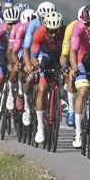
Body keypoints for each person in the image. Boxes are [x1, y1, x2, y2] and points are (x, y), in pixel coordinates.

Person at [29, 11, 65, 144]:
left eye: (57, 31)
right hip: (45, 58)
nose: (54, 35)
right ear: (46, 28)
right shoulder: (39, 32)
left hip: (61, 58)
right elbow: (33, 56)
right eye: (51, 31)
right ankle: (40, 127)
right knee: (43, 89)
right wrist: (37, 66)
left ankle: (65, 99)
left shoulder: (65, 32)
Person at [69, 4, 90, 148]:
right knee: (83, 91)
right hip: (82, 58)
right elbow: (73, 51)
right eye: (87, 24)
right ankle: (78, 132)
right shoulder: (78, 27)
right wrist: (74, 68)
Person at [21, 1, 56, 126]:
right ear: (39, 16)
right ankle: (27, 107)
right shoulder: (33, 25)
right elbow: (26, 48)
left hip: (51, 54)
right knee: (30, 78)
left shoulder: (55, 23)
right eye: (43, 18)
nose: (45, 20)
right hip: (35, 53)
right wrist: (27, 64)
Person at [59, 6, 85, 127]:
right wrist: (65, 66)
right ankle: (71, 111)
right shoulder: (72, 27)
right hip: (73, 53)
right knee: (71, 74)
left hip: (87, 54)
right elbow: (65, 53)